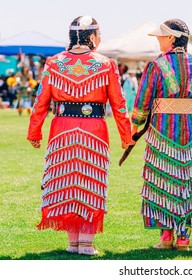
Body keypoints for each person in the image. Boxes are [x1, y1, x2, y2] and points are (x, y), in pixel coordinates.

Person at [27, 16, 132, 255]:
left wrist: (34, 131)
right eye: (100, 34)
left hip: (62, 129)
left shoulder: (54, 63)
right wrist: (126, 135)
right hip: (94, 129)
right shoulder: (105, 64)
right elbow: (118, 104)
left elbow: (40, 101)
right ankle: (85, 242)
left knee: (66, 182)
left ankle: (73, 242)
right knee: (88, 181)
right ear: (93, 36)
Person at [130, 18, 192, 251]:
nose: (158, 41)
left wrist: (135, 125)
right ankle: (183, 239)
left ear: (172, 38)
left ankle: (166, 238)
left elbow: (143, 100)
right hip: (190, 134)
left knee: (163, 181)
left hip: (162, 133)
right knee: (186, 182)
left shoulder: (157, 65)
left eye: (161, 37)